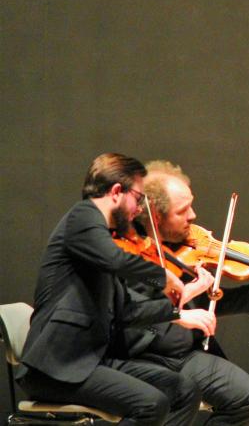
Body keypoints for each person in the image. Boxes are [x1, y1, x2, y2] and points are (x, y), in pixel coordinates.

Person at [17, 153, 217, 425]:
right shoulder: (83, 217)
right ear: (115, 192)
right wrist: (162, 276)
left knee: (183, 390)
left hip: (91, 359)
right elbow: (116, 261)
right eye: (138, 198)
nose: (139, 209)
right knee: (151, 404)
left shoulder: (107, 241)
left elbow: (125, 312)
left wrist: (175, 312)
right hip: (55, 365)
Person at [124, 160, 249, 426]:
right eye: (183, 210)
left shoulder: (181, 251)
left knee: (248, 398)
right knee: (204, 396)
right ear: (157, 216)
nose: (193, 216)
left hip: (188, 352)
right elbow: (133, 313)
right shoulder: (131, 255)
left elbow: (212, 303)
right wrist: (183, 292)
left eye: (191, 205)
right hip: (149, 355)